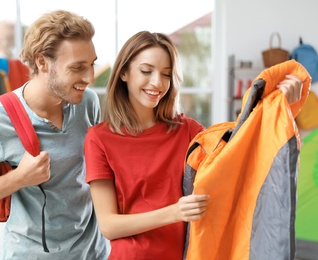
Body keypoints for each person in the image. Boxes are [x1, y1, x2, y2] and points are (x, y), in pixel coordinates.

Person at [84, 31, 303, 259]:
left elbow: (239, 154)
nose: (157, 82)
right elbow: (109, 225)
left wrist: (281, 108)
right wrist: (175, 212)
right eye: (146, 71)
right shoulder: (99, 138)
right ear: (124, 73)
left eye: (166, 74)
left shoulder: (187, 131)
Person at [0, 10, 109, 259]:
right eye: (78, 68)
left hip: (94, 250)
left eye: (91, 64)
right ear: (42, 62)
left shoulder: (87, 101)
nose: (89, 78)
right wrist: (19, 179)